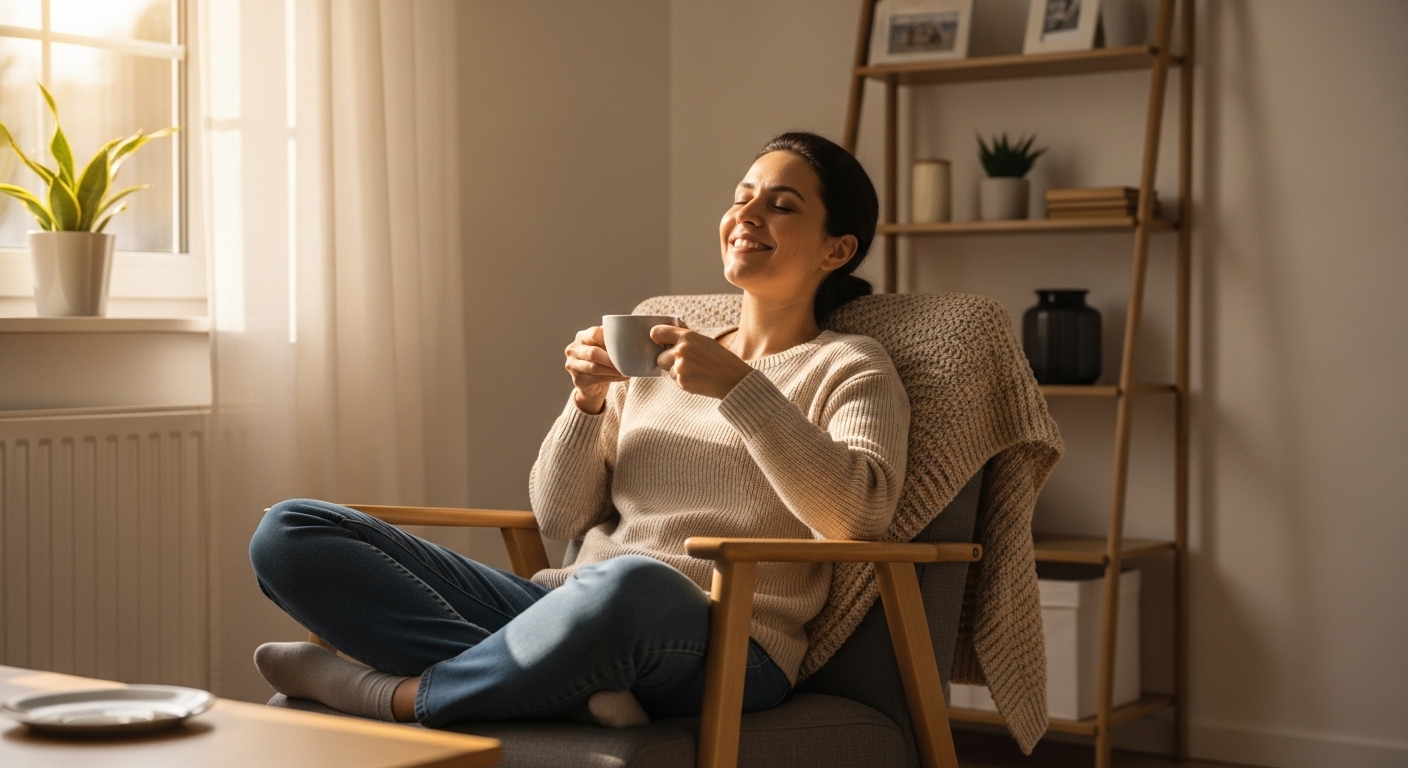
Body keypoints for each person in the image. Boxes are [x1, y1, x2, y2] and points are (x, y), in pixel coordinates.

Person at [248, 131, 911, 729]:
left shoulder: (848, 365)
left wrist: (740, 387)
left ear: (838, 248)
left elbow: (857, 518)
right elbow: (559, 516)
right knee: (292, 531)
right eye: (742, 198)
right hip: (568, 611)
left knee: (636, 583)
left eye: (782, 204)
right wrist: (587, 402)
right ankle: (575, 683)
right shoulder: (656, 347)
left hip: (727, 644)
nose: (747, 215)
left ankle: (390, 696)